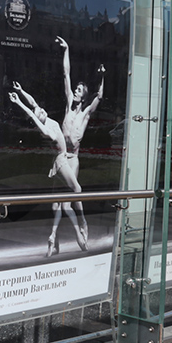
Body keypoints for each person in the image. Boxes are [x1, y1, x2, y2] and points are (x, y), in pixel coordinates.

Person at [8, 81, 87, 256]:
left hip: (57, 163)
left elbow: (33, 104)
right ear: (38, 119)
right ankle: (82, 224)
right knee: (77, 189)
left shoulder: (47, 119)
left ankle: (53, 239)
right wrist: (18, 103)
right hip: (61, 163)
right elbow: (31, 112)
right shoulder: (47, 130)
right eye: (40, 113)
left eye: (42, 110)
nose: (41, 110)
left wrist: (21, 91)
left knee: (56, 206)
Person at [55, 36, 103, 250]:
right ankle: (72, 231)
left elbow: (99, 97)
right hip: (60, 157)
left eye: (80, 90)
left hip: (73, 158)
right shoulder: (67, 106)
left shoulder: (84, 114)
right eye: (75, 89)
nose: (75, 91)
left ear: (84, 97)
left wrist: (102, 78)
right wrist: (67, 49)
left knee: (71, 196)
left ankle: (81, 223)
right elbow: (66, 74)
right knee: (61, 202)